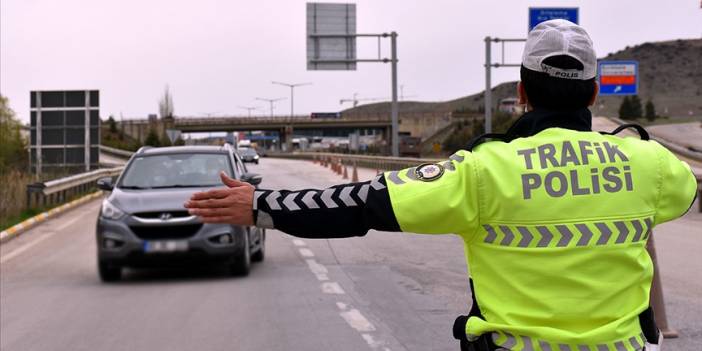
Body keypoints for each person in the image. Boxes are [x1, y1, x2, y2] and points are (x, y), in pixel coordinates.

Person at [184, 19, 697, 351]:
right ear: (594, 93)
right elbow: (690, 192)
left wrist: (262, 205)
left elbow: (362, 204)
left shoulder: (483, 170)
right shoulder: (647, 162)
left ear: (521, 92)